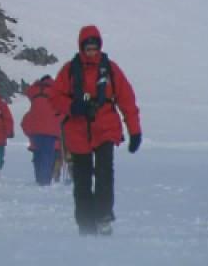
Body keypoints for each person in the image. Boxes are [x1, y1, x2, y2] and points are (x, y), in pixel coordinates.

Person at [50, 25, 142, 236]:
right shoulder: (69, 70)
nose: (91, 52)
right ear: (81, 48)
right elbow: (55, 98)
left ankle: (103, 217)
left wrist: (134, 130)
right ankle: (85, 225)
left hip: (105, 128)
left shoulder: (110, 69)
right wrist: (72, 107)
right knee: (81, 180)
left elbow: (127, 99)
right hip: (78, 130)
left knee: (104, 174)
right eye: (88, 48)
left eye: (94, 47)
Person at [21, 75, 64, 185]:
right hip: (51, 131)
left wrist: (29, 132)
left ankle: (39, 179)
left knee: (37, 154)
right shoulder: (56, 91)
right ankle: (45, 182)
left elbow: (28, 92)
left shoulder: (35, 90)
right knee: (47, 157)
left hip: (35, 129)